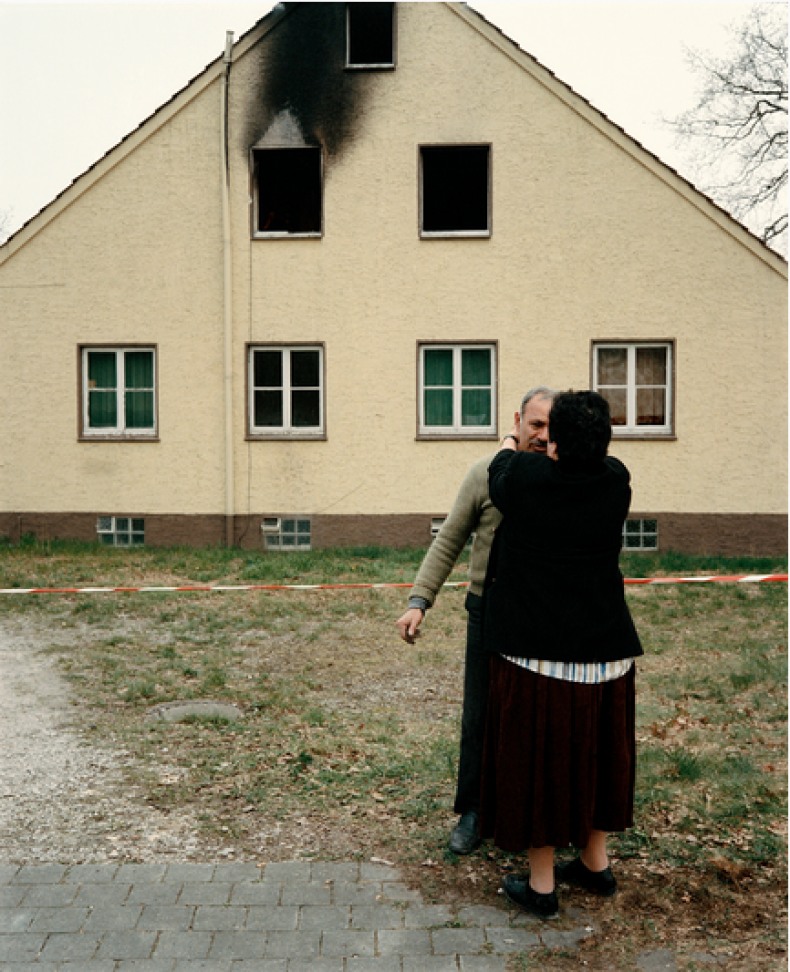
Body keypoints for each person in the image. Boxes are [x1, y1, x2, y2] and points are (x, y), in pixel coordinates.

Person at [480, 390, 643, 920]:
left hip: (539, 659)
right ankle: (595, 865)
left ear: (554, 440)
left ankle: (542, 886)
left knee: (538, 765)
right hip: (608, 655)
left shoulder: (527, 480)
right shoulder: (616, 480)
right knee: (600, 760)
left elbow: (500, 470)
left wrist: (513, 436)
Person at [396, 387, 556, 855]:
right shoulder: (484, 474)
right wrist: (419, 600)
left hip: (542, 618)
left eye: (552, 427)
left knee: (537, 719)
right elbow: (449, 538)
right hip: (487, 611)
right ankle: (474, 809)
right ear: (517, 422)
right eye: (536, 424)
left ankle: (535, 812)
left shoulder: (563, 477)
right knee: (481, 715)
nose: (542, 435)